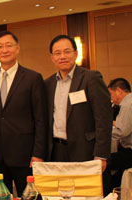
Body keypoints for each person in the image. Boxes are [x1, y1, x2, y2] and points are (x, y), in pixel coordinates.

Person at [0, 31, 47, 195]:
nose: (4, 50)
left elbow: (41, 119)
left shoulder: (33, 78)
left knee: (30, 196)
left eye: (8, 45)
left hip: (25, 154)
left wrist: (38, 153)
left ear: (17, 48)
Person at [45, 35, 112, 169]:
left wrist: (101, 155)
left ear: (76, 54)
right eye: (57, 53)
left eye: (67, 51)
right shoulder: (47, 84)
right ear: (52, 58)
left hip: (85, 150)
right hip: (56, 151)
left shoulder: (90, 78)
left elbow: (104, 119)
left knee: (85, 190)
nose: (62, 56)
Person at [107, 78, 132, 188]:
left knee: (103, 162)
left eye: (111, 94)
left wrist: (102, 134)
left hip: (130, 152)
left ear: (119, 91)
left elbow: (121, 131)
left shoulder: (127, 105)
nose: (111, 98)